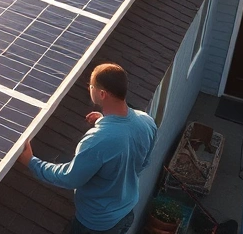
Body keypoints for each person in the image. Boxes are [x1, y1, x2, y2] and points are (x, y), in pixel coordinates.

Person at [18, 63, 157, 234]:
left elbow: (69, 178)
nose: (88, 88)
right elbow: (141, 162)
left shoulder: (97, 141)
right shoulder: (147, 122)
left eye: (91, 86)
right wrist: (104, 120)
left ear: (101, 94)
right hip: (126, 212)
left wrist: (31, 162)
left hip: (95, 223)